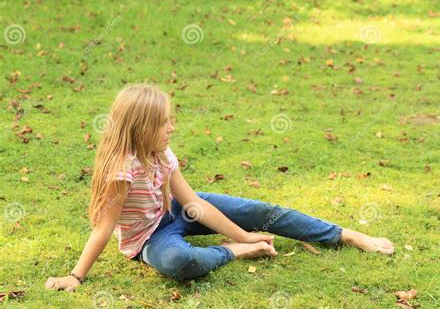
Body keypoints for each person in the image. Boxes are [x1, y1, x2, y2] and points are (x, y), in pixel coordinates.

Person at [45, 84, 394, 291]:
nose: (172, 128)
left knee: (261, 213)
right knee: (179, 262)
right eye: (164, 123)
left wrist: (246, 233)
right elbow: (104, 228)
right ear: (141, 128)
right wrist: (76, 276)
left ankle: (345, 235)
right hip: (148, 239)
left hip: (176, 214)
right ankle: (231, 253)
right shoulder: (122, 170)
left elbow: (194, 204)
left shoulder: (162, 154)